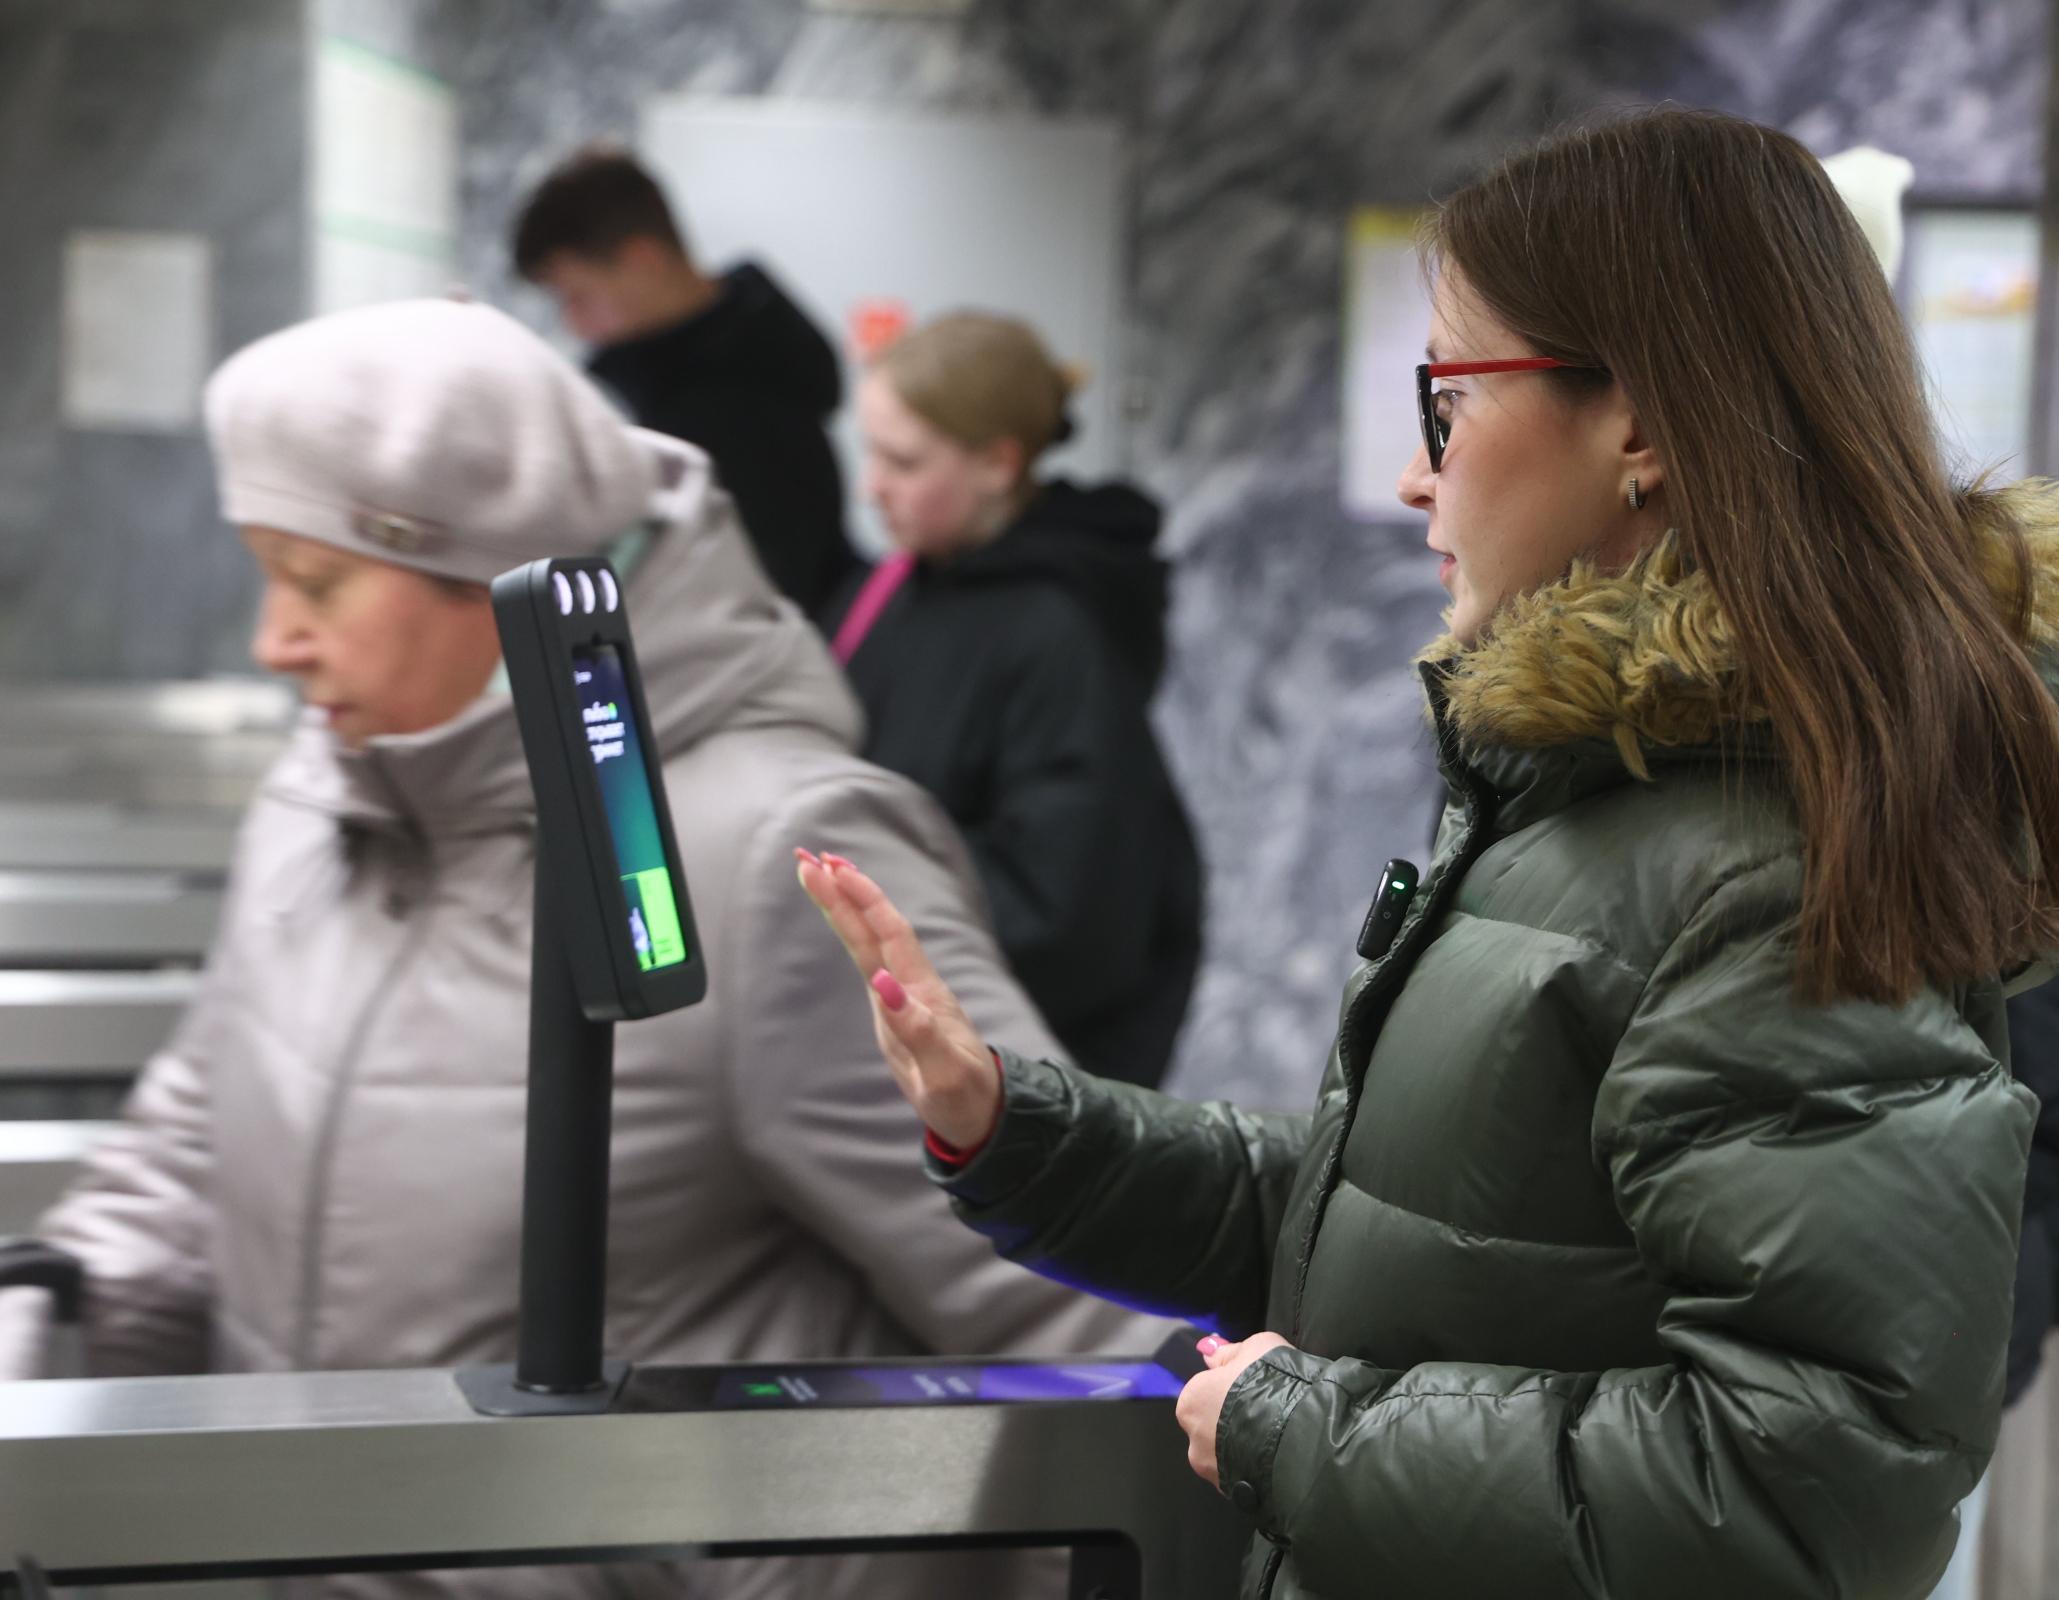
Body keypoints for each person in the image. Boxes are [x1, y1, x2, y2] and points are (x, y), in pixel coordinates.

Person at [797, 108, 2059, 1600]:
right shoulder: (1602, 795)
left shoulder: (1765, 852)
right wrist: (1018, 1126)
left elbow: (1812, 1483)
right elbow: (1410, 1226)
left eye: (1447, 400)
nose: (1416, 475)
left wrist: (1298, 1425)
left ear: (1644, 427)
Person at [0, 300, 1166, 1600]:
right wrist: (52, 1315)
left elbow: (1078, 1307)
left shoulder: (762, 859)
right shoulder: (320, 796)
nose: (274, 640)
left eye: (317, 581)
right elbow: (193, 1142)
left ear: (490, 574)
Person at [830, 311, 1202, 1091]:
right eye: (869, 452)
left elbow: (1068, 906)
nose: (871, 487)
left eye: (901, 460)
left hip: (1005, 1062)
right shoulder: (898, 584)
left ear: (998, 464)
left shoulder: (1059, 630)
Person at [513, 142, 860, 627]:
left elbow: (769, 598)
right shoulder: (657, 381)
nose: (572, 323)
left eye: (577, 295)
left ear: (642, 259)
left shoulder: (748, 400)